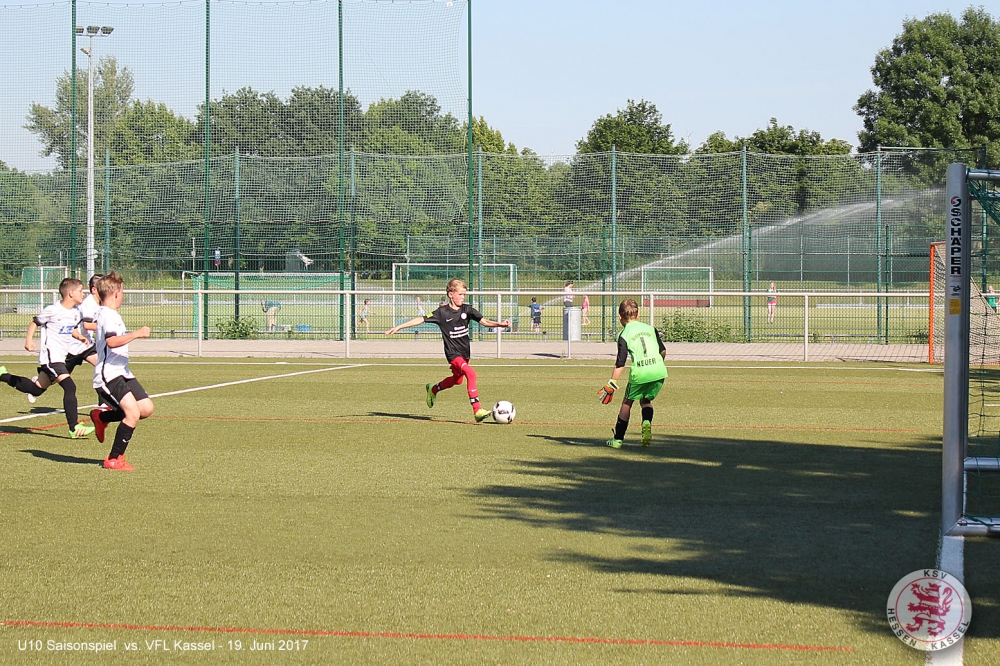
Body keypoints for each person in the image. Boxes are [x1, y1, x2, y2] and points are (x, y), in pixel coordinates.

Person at [385, 278, 510, 422]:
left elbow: (484, 321)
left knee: (457, 380)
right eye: (460, 294)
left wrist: (500, 324)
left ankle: (433, 389)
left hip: (465, 353)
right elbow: (421, 319)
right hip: (452, 353)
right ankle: (477, 410)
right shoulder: (441, 312)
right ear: (451, 294)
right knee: (471, 373)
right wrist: (399, 327)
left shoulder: (467, 309)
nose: (463, 297)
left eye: (464, 294)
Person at [0, 277, 96, 439]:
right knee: (70, 387)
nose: (83, 294)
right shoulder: (52, 310)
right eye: (80, 291)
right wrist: (29, 341)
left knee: (36, 389)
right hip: (51, 358)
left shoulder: (75, 312)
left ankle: (3, 375)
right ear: (71, 293)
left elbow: (70, 329)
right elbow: (34, 323)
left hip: (60, 358)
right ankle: (74, 427)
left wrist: (79, 336)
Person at [89, 272, 154, 471]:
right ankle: (114, 458)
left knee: (146, 408)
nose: (123, 296)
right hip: (109, 375)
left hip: (122, 371)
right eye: (122, 292)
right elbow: (111, 341)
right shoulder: (108, 315)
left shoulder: (111, 314)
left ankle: (101, 417)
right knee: (132, 414)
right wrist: (137, 334)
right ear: (116, 293)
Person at [599, 298, 667, 449]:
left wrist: (612, 382)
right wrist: (657, 363)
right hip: (659, 371)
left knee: (627, 403)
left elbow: (620, 362)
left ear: (619, 316)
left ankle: (617, 440)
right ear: (638, 315)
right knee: (645, 401)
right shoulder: (651, 328)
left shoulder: (624, 334)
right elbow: (663, 351)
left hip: (640, 373)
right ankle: (646, 422)